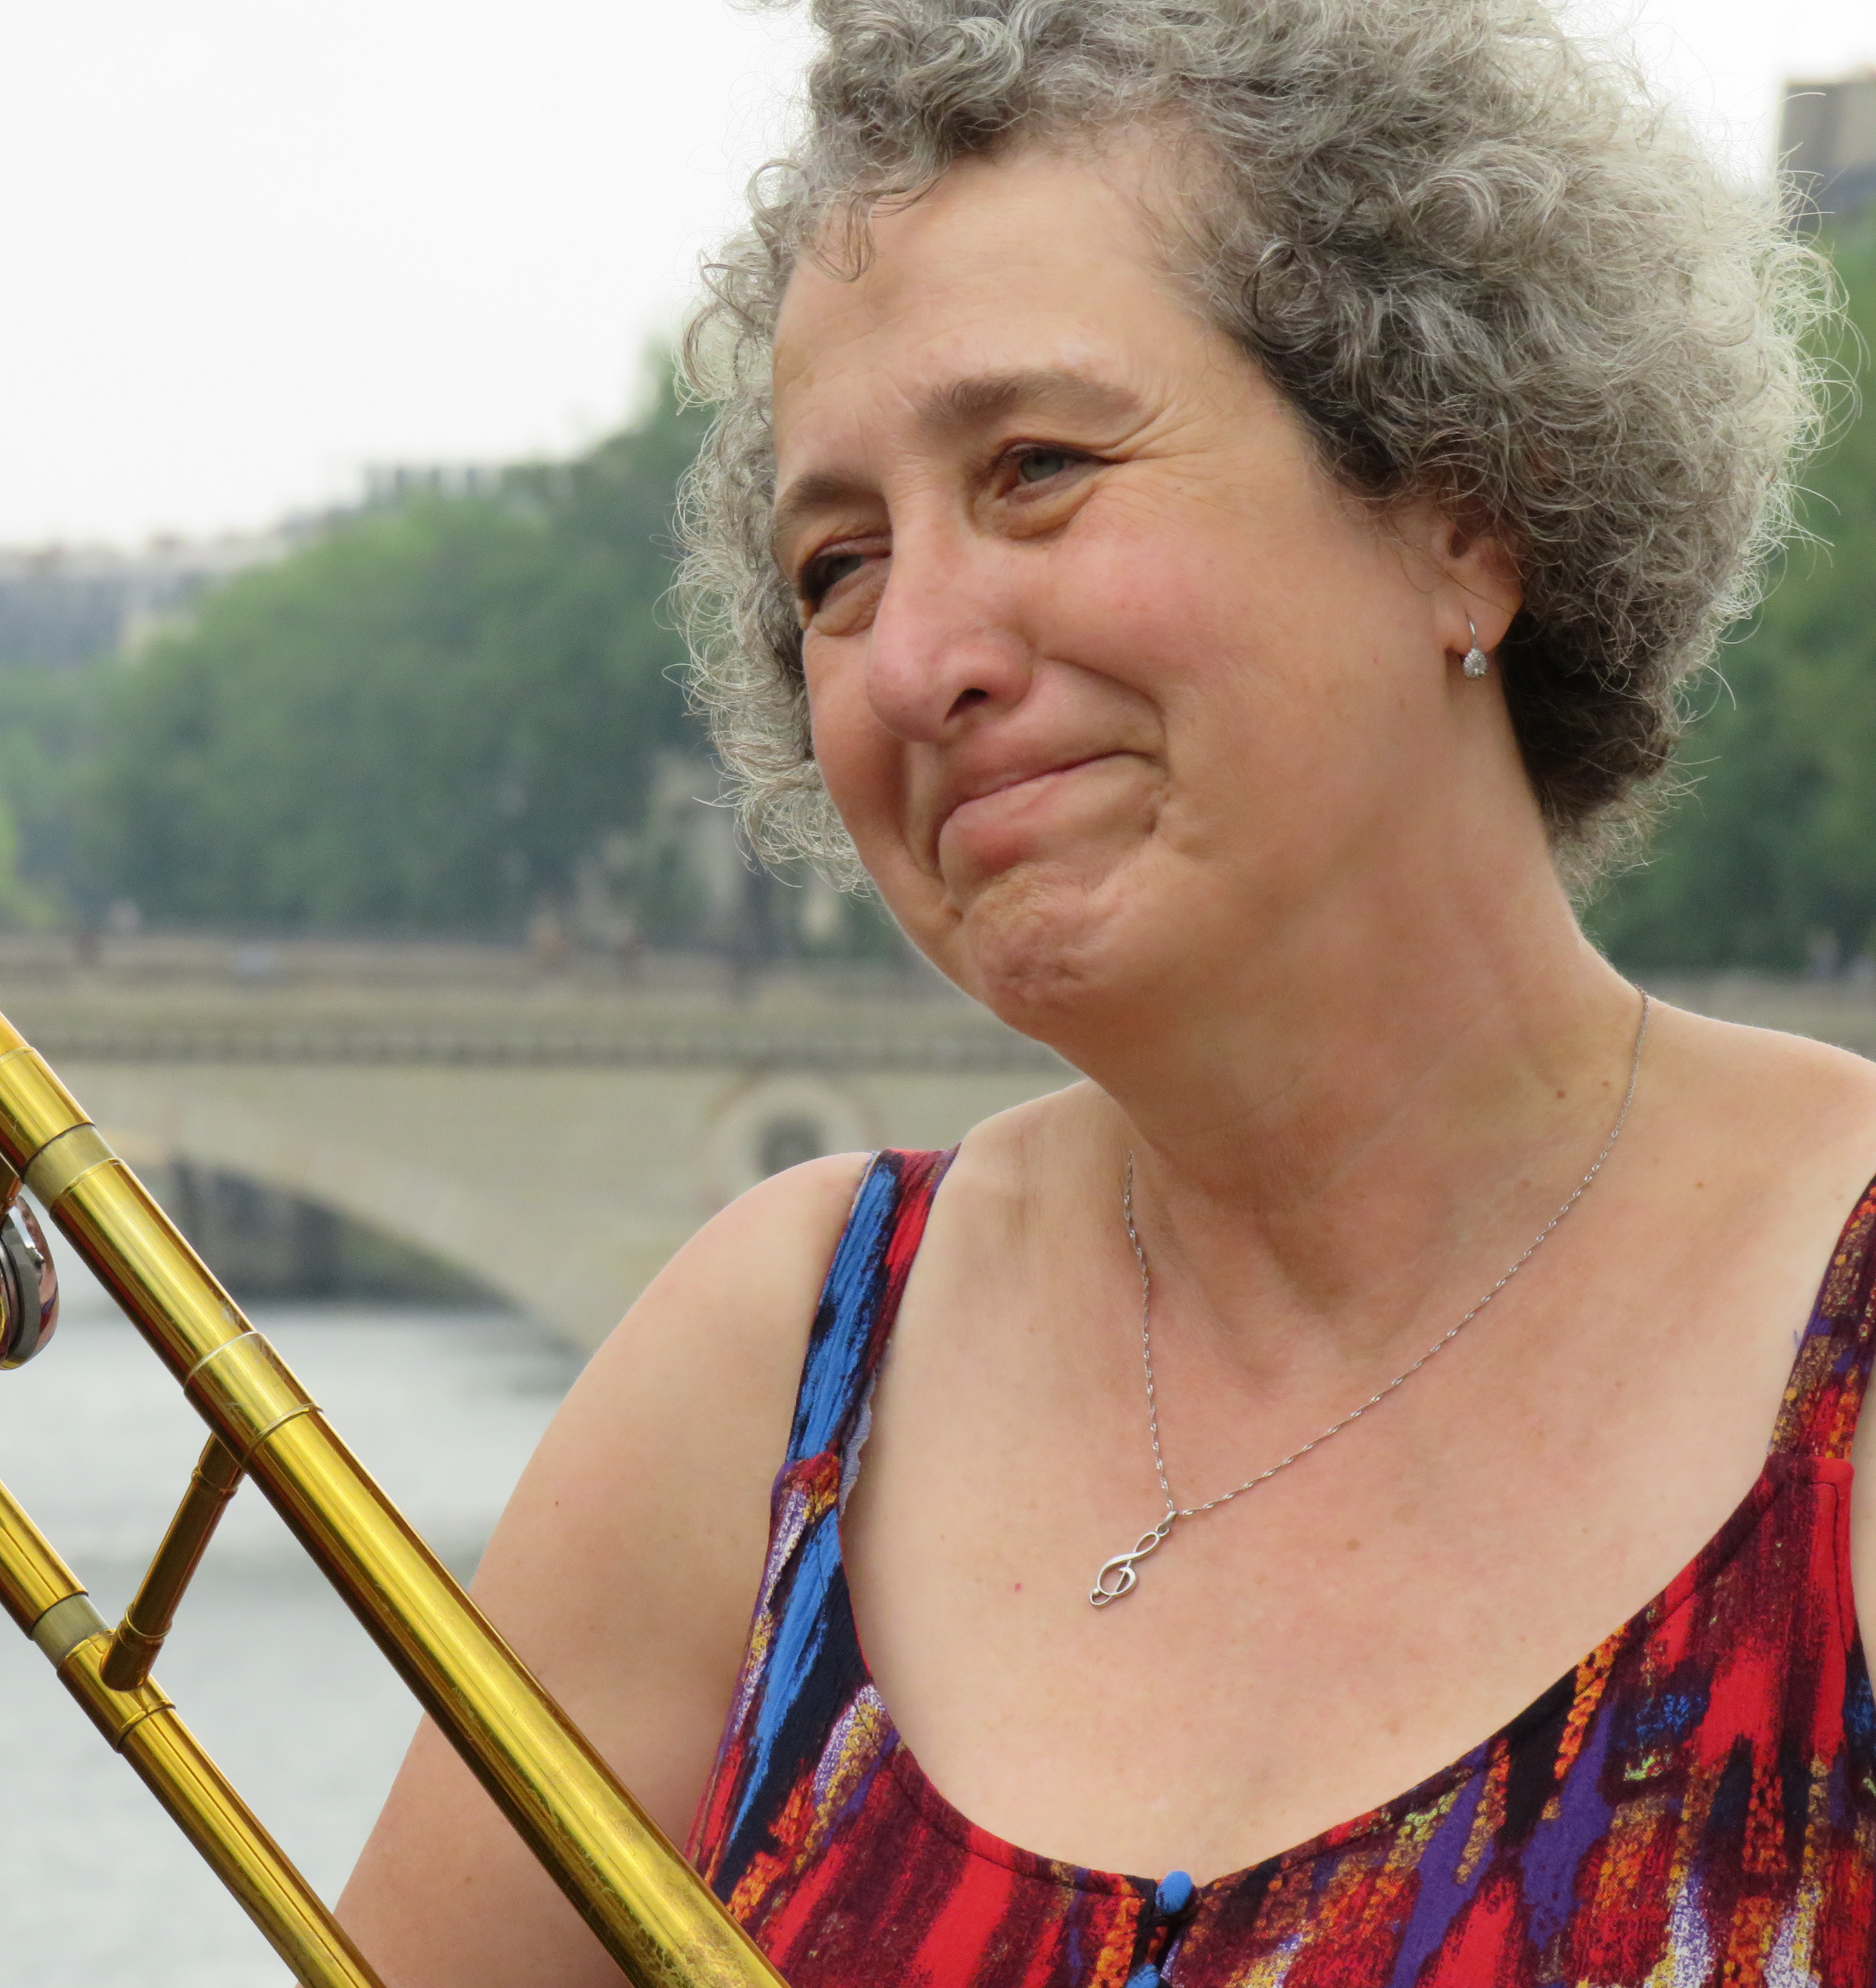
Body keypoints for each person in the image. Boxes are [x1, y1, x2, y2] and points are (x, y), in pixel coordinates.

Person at [340, 1, 1875, 1981]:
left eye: (1041, 467)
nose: (915, 661)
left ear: (1467, 513)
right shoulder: (769, 1370)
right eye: (835, 569)